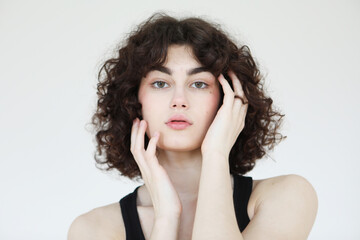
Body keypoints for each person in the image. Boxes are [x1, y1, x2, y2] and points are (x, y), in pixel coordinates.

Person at [68, 13, 318, 240]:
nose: (179, 101)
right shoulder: (93, 230)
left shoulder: (286, 197)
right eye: (160, 83)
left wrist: (216, 154)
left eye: (198, 84)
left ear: (228, 99)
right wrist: (166, 217)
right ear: (133, 99)